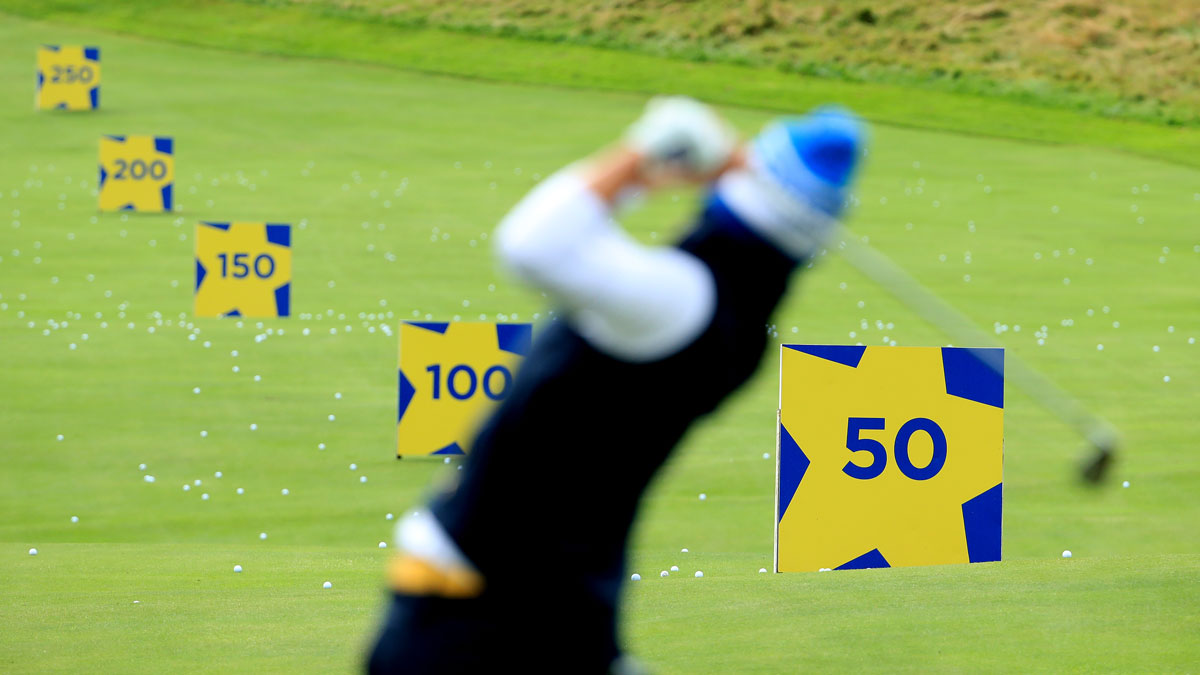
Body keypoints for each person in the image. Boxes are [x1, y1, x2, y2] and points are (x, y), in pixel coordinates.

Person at [368, 97, 865, 673]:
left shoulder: (683, 299)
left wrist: (644, 156)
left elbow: (533, 245)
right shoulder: (738, 323)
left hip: (479, 613)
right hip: (565, 611)